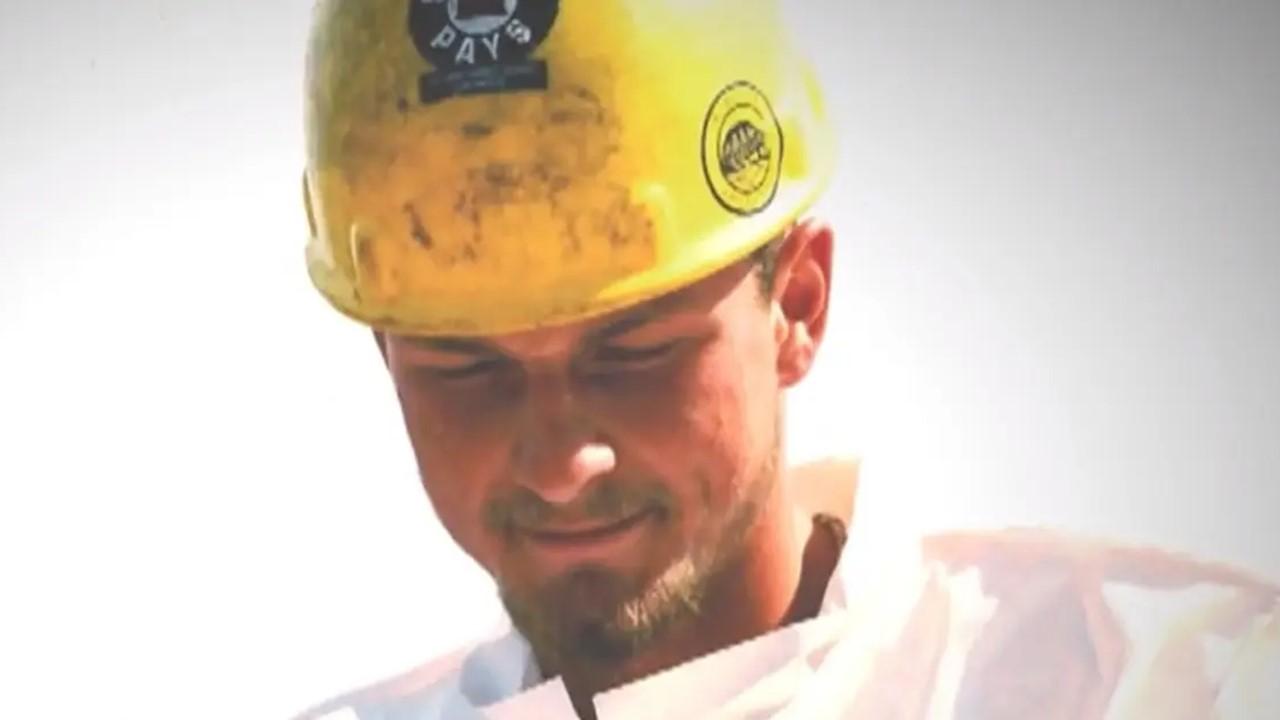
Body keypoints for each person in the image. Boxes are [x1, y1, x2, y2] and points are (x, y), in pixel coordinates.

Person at [293, 1, 1279, 717]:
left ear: (797, 306)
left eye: (630, 353)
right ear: (386, 356)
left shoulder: (1162, 684)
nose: (558, 463)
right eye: (468, 372)